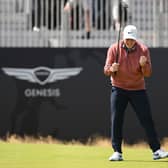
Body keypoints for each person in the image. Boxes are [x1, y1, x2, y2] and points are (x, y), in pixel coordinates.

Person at [104, 25, 168, 161]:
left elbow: (148, 73)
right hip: (118, 88)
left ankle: (156, 150)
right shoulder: (114, 49)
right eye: (127, 39)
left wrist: (144, 65)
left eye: (132, 40)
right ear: (123, 37)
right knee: (117, 120)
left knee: (146, 119)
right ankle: (117, 152)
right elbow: (106, 70)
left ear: (136, 39)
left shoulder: (143, 50)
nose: (129, 42)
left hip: (137, 89)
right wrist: (111, 68)